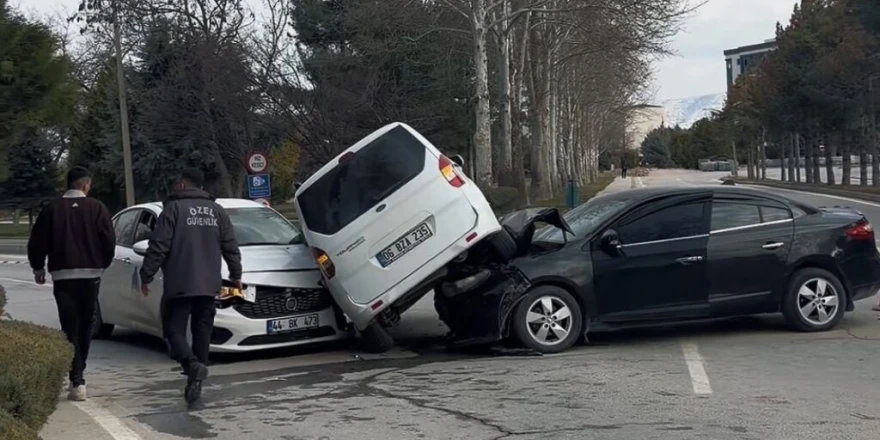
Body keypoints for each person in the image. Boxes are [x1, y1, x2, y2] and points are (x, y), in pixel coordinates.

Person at [139, 168, 241, 406]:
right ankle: (197, 377)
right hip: (209, 284)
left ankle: (192, 365)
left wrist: (146, 275)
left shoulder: (172, 210)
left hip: (179, 282)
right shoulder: (217, 211)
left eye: (176, 184)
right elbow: (230, 245)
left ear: (183, 186)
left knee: (173, 330)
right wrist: (236, 275)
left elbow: (159, 245)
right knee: (202, 329)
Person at [27, 167, 116, 402]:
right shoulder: (97, 208)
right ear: (86, 185)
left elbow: (37, 241)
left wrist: (38, 267)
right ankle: (79, 375)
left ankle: (76, 376)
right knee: (87, 324)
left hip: (63, 275)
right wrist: (102, 264)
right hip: (91, 275)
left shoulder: (52, 209)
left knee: (69, 326)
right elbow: (108, 240)